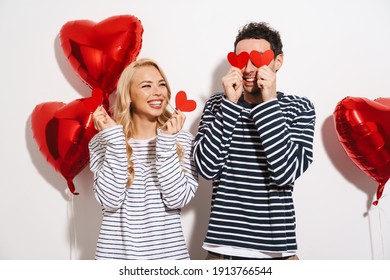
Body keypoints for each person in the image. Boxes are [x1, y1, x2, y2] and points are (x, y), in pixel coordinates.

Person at [193, 22, 316, 260]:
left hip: (278, 251)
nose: (248, 68)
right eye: (241, 59)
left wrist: (269, 102)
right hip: (222, 250)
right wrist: (230, 105)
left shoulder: (299, 107)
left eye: (258, 59)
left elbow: (285, 172)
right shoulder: (218, 105)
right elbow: (206, 169)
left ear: (277, 62)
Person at [88, 58, 198, 260]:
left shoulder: (182, 139)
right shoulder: (103, 141)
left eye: (162, 84)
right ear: (128, 95)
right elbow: (110, 201)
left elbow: (177, 199)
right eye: (146, 86)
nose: (158, 92)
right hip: (116, 259)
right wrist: (115, 142)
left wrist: (166, 143)